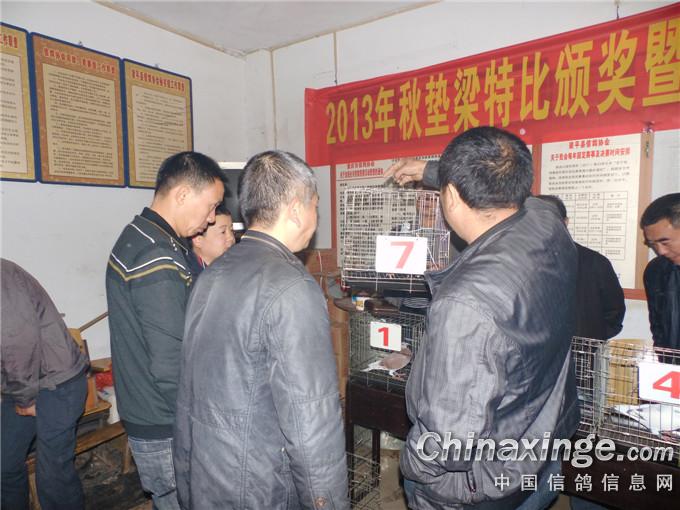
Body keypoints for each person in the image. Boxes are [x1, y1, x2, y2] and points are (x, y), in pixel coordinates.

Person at [393, 127, 580, 510]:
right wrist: (430, 172)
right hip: (539, 454)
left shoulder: (465, 304)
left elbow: (448, 441)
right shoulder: (547, 224)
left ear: (450, 197)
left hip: (478, 487)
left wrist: (411, 467)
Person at [173, 150, 349, 509]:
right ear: (297, 209)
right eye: (315, 206)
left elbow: (187, 395)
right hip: (260, 487)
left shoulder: (211, 275)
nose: (315, 218)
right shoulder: (291, 287)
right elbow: (310, 420)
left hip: (207, 476)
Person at [106, 151, 224, 509]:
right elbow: (170, 362)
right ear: (183, 194)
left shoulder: (142, 235)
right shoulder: (156, 256)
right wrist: (202, 424)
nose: (212, 218)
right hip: (165, 422)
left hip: (150, 412)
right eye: (211, 206)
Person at [1, 259, 89, 510]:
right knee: (4, 462)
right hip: (22, 383)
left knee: (53, 475)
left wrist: (25, 399)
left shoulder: (2, 277)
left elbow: (16, 342)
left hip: (57, 383)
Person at [536, 194, 625, 340]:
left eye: (550, 220)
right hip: (536, 350)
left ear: (565, 222)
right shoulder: (518, 263)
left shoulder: (595, 262)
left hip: (582, 349)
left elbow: (615, 312)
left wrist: (591, 337)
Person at [640, 192, 680, 351]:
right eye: (653, 244)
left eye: (665, 242)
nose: (660, 251)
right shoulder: (655, 271)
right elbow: (658, 328)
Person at [187, 203, 235, 274]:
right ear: (198, 240)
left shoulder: (232, 268)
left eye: (232, 230)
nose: (231, 237)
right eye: (223, 232)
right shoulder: (188, 274)